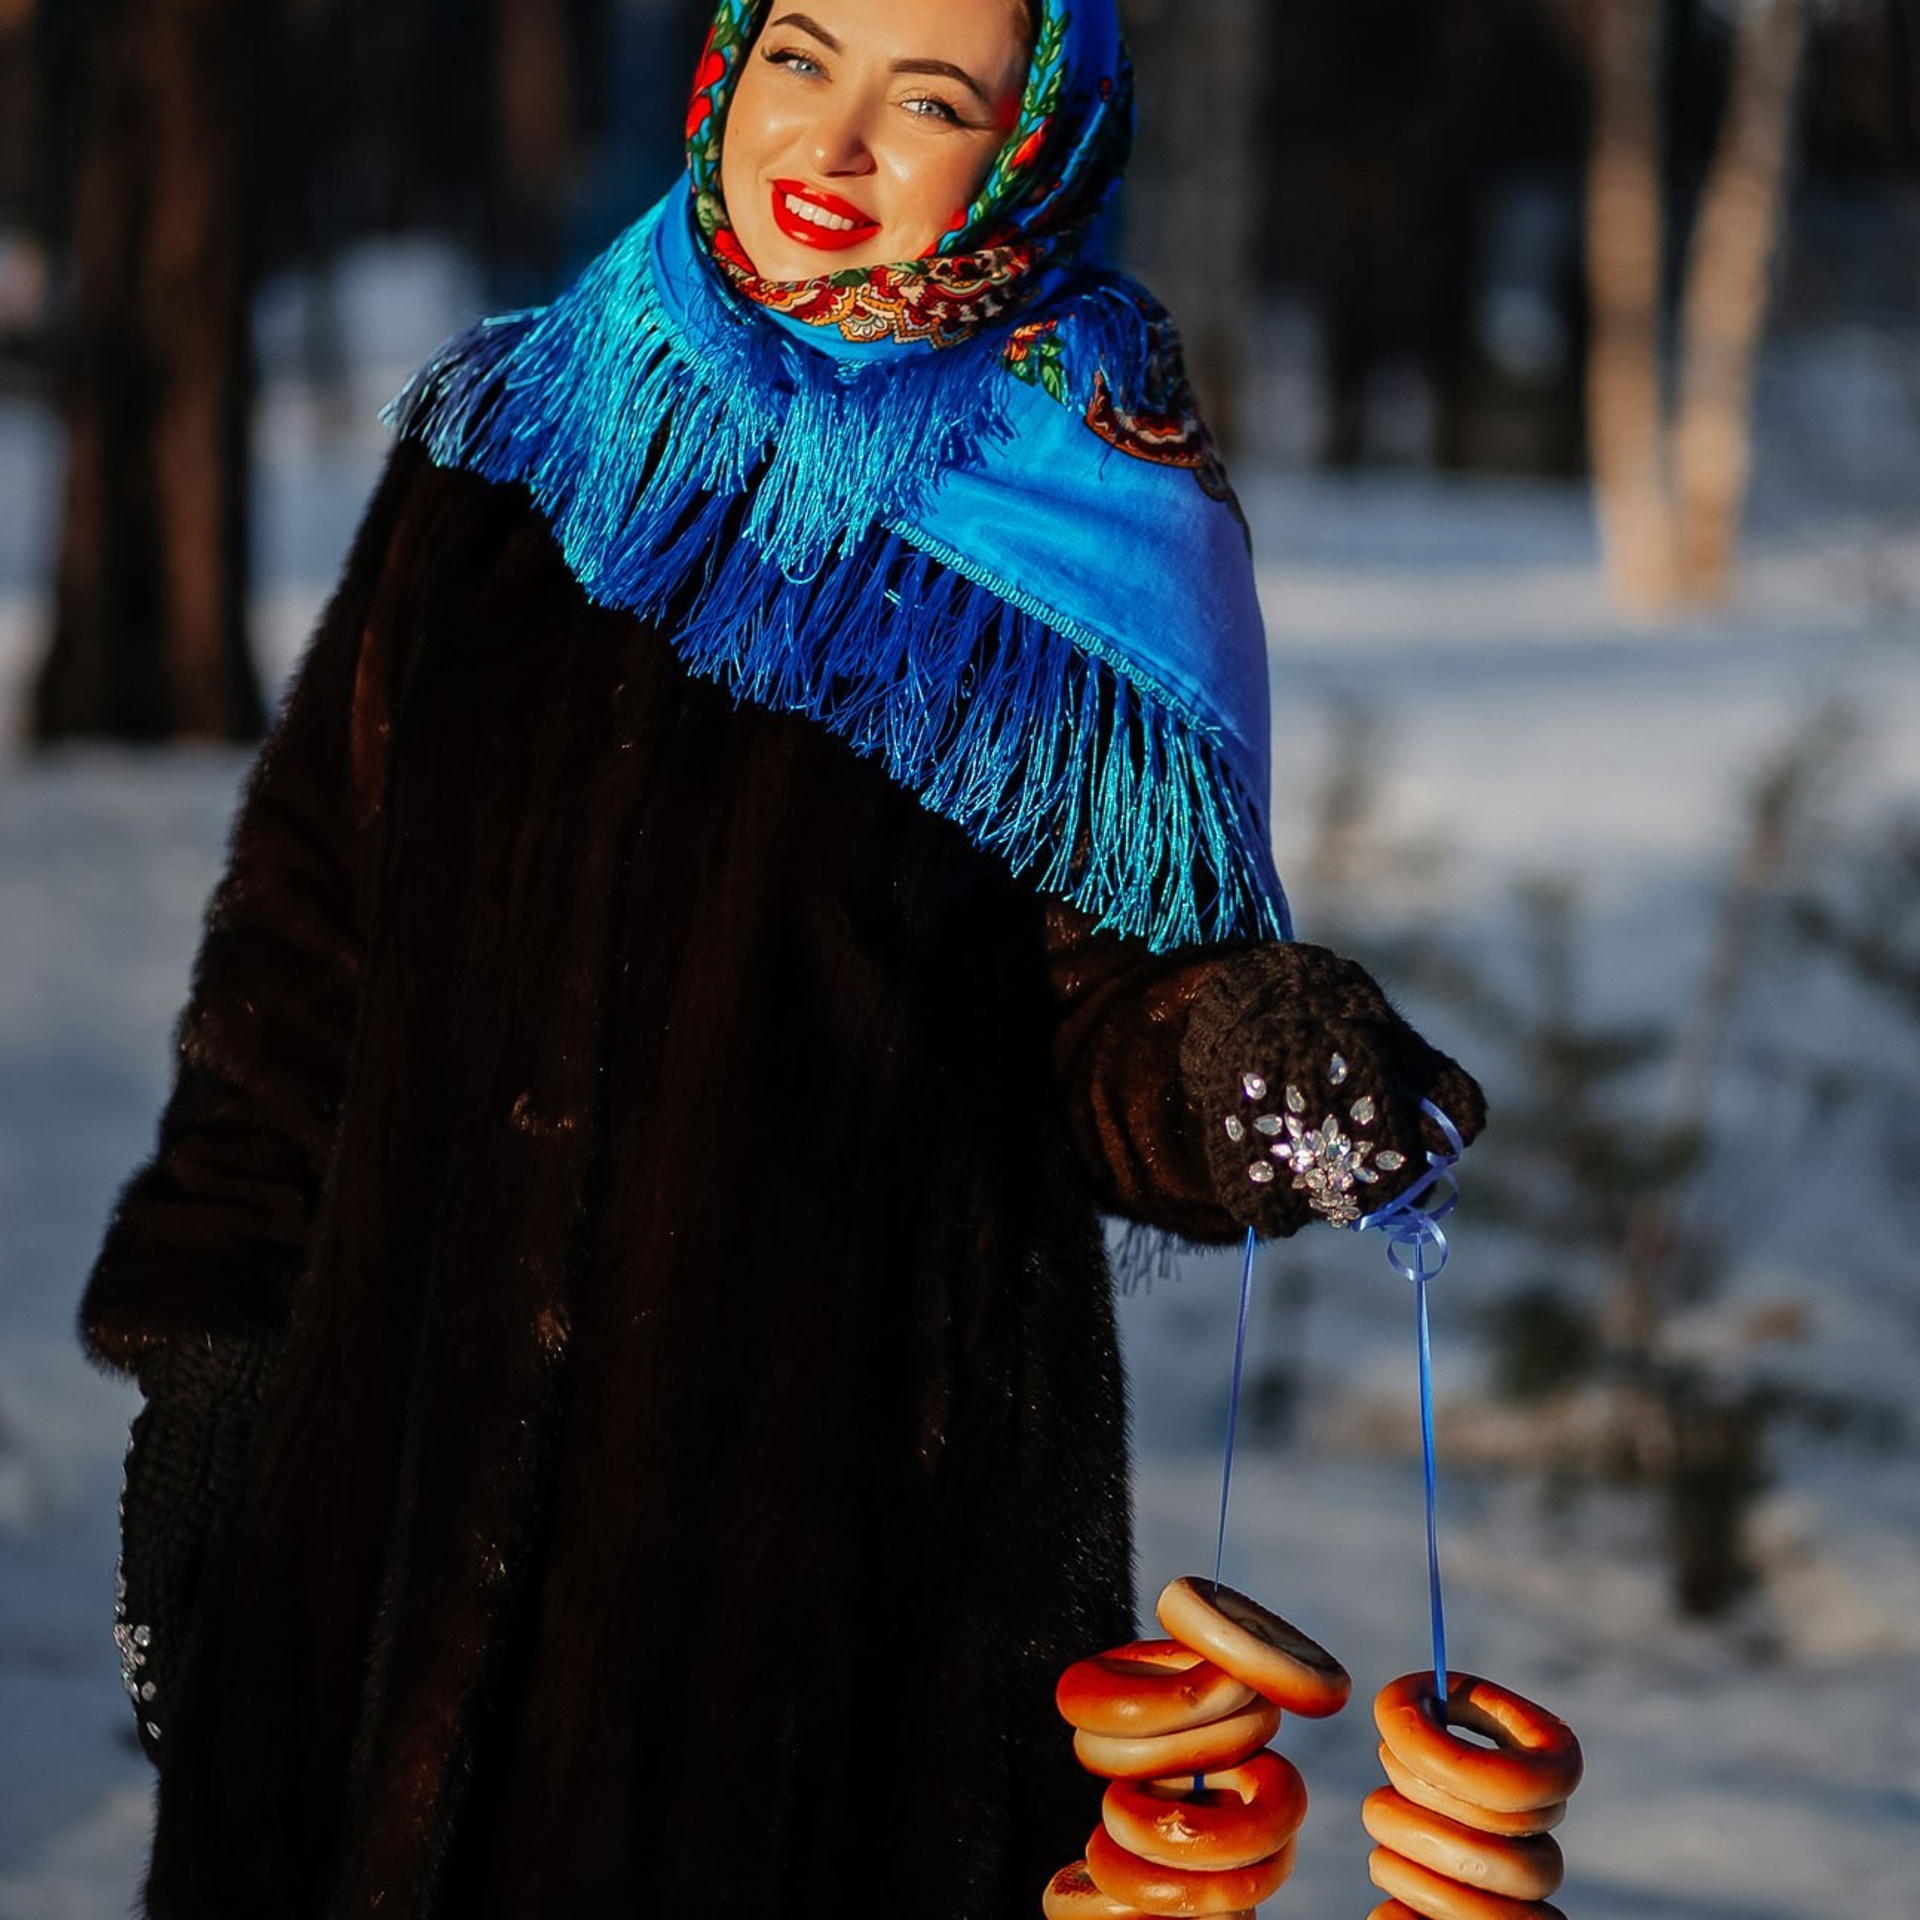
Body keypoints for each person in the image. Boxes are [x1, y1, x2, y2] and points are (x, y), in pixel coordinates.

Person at [80, 1, 1485, 1913]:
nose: (829, 146)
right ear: (723, 71)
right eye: (799, 63)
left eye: (928, 101)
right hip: (386, 1523)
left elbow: (1111, 1036)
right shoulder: (510, 447)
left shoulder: (1083, 543)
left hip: (830, 1617)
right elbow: (301, 953)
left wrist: (1246, 1047)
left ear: (1031, 149)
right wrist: (213, 1381)